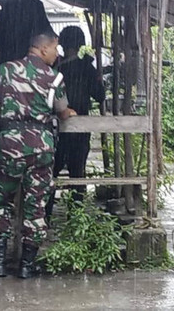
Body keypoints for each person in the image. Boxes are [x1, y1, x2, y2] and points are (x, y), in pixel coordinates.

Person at [0, 31, 76, 279]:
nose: (57, 54)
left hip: (9, 145)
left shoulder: (4, 70)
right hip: (41, 148)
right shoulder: (54, 78)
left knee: (1, 202)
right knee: (36, 205)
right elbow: (63, 112)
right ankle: (26, 266)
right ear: (43, 49)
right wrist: (69, 113)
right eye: (55, 48)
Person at [46, 26, 104, 215]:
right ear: (81, 44)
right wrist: (96, 76)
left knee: (50, 172)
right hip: (80, 129)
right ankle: (76, 215)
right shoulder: (86, 68)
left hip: (54, 129)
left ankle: (45, 214)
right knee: (77, 171)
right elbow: (100, 95)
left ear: (61, 44)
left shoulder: (54, 68)